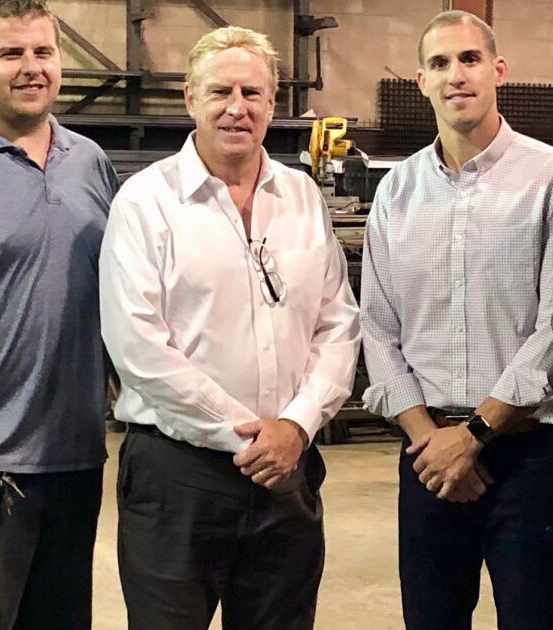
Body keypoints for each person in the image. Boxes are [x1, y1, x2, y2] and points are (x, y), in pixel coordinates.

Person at [99, 25, 360, 630]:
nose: (236, 107)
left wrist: (296, 424)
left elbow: (338, 322)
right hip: (178, 476)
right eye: (220, 91)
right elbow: (138, 346)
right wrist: (247, 435)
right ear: (190, 99)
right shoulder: (146, 202)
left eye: (253, 92)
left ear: (272, 104)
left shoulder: (299, 196)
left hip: (288, 469)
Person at [0, 1, 118, 629]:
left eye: (43, 52)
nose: (32, 68)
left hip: (75, 462)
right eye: (12, 53)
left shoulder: (89, 161)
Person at [361, 9, 553, 630]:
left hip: (529, 458)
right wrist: (432, 444)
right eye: (440, 63)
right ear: (420, 81)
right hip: (426, 460)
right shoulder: (396, 193)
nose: (456, 75)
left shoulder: (546, 177)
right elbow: (378, 329)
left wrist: (472, 437)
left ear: (498, 70)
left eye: (469, 59)